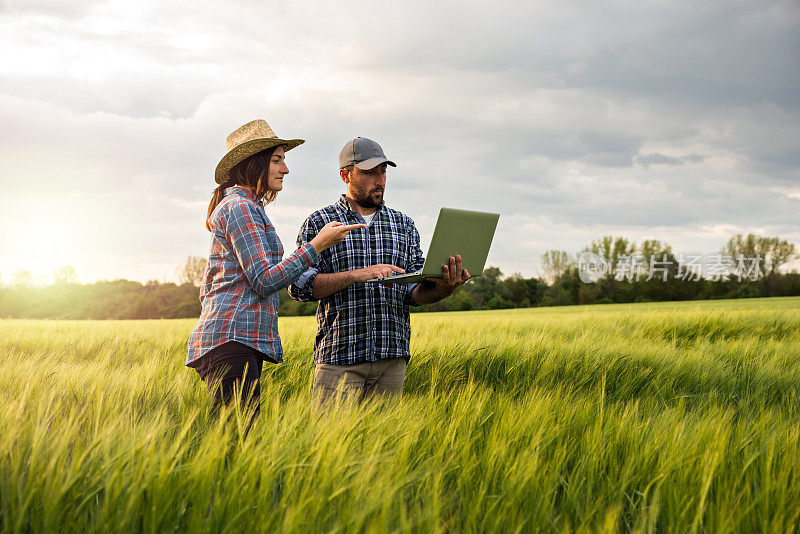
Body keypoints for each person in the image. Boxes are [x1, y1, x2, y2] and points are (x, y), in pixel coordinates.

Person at [187, 120, 364, 420]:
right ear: (253, 164)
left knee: (238, 441)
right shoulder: (240, 208)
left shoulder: (248, 207)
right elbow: (264, 280)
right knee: (239, 443)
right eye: (277, 160)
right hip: (232, 340)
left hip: (236, 341)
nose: (285, 169)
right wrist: (316, 246)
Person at [288, 137, 470, 404]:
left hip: (391, 360)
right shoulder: (320, 222)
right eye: (369, 172)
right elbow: (299, 287)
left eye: (383, 171)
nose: (380, 180)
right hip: (340, 359)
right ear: (345, 175)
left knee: (385, 446)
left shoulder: (403, 224)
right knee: (332, 445)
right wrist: (357, 275)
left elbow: (413, 292)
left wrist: (444, 287)